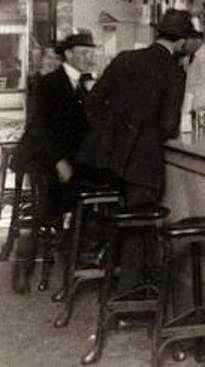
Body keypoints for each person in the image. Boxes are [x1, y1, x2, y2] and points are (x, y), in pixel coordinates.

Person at [80, 9, 192, 291]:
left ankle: (128, 290)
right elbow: (168, 125)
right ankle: (128, 298)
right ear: (181, 43)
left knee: (130, 225)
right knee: (137, 228)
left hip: (108, 164)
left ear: (157, 33)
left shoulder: (125, 58)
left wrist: (114, 133)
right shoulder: (174, 72)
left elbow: (92, 103)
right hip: (143, 166)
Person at [11, 33, 96, 293]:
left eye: (90, 52)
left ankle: (76, 257)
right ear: (68, 54)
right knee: (41, 212)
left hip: (68, 159)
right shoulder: (50, 83)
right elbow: (39, 128)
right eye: (83, 52)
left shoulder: (85, 84)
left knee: (80, 204)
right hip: (42, 158)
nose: (88, 57)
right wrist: (59, 161)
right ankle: (21, 269)